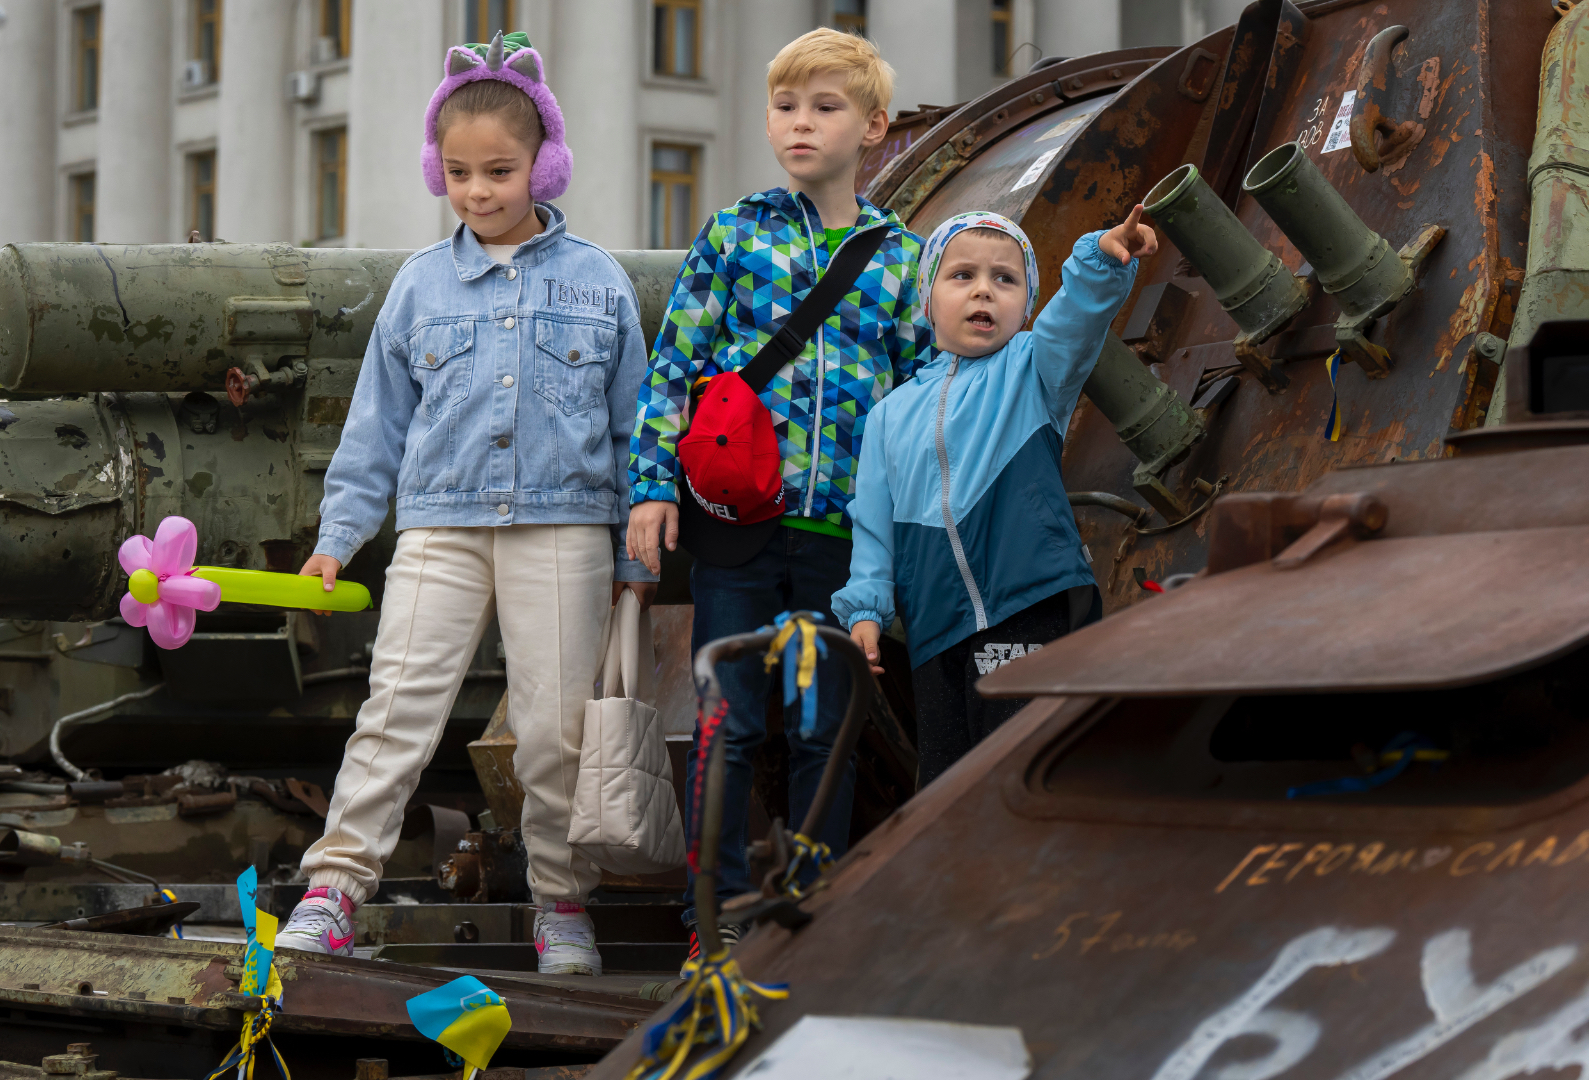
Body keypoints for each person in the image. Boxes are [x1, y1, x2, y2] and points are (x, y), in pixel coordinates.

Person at [274, 31, 656, 977]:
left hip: (564, 527)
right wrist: (337, 539)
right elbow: (374, 432)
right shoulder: (416, 287)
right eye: (458, 172)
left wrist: (633, 561)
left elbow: (636, 430)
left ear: (544, 165)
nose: (479, 190)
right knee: (395, 708)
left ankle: (561, 904)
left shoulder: (600, 283)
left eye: (500, 170)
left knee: (554, 731)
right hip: (440, 526)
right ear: (434, 168)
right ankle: (333, 890)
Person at [623, 28, 930, 960]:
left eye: (825, 107)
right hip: (735, 528)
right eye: (786, 106)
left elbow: (919, 396)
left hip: (842, 534)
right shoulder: (733, 235)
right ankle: (707, 921)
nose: (800, 123)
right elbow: (672, 369)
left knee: (822, 728)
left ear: (873, 126)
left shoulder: (899, 258)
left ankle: (813, 915)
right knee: (729, 719)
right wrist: (650, 487)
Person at [832, 205, 1158, 788]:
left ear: (1025, 305)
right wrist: (865, 609)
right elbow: (873, 525)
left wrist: (1099, 263)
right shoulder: (887, 416)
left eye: (1005, 279)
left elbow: (1074, 322)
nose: (984, 291)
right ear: (926, 302)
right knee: (947, 781)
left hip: (1029, 603)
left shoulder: (1034, 371)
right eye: (963, 276)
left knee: (1024, 767)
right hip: (935, 627)